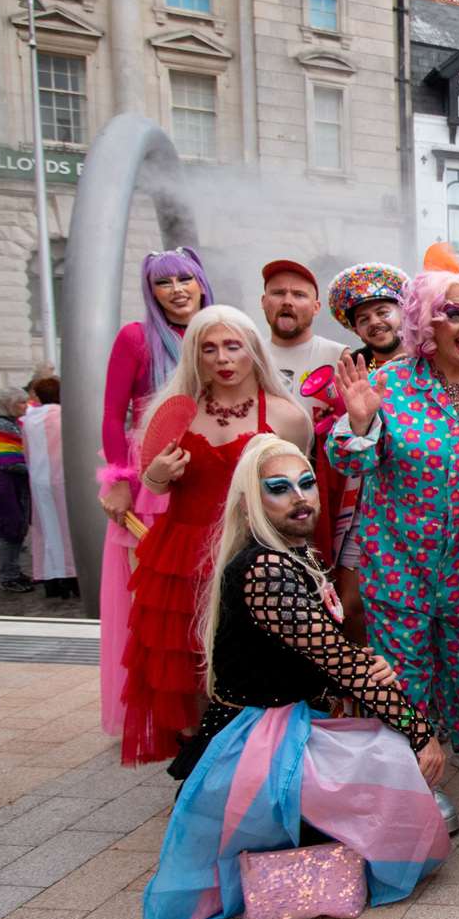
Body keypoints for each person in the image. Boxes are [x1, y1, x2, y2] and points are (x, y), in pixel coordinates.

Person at [139, 435, 447, 919]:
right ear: (252, 502)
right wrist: (420, 732)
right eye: (279, 489)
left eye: (306, 483)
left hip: (284, 722)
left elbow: (323, 655)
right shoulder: (267, 569)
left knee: (382, 749)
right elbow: (338, 663)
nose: (300, 497)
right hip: (256, 743)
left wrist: (361, 665)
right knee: (393, 757)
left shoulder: (291, 554)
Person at [328, 265, 459, 790]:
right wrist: (360, 423)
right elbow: (347, 461)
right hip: (397, 560)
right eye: (452, 314)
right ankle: (413, 763)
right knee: (405, 669)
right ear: (424, 323)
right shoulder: (388, 383)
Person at [121, 306, 311, 766]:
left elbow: (300, 498)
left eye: (233, 345)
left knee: (252, 660)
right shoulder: (173, 416)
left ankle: (251, 761)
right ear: (195, 356)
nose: (223, 358)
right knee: (187, 664)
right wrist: (157, 475)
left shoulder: (287, 417)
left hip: (253, 555)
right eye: (209, 348)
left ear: (253, 350)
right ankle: (202, 766)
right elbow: (152, 486)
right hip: (182, 555)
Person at [97, 248, 214, 733]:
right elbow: (112, 415)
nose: (177, 289)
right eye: (164, 283)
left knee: (207, 597)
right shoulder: (136, 337)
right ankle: (171, 714)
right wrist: (121, 481)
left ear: (202, 282)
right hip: (151, 486)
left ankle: (212, 705)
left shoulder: (218, 335)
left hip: (209, 475)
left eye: (186, 278)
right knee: (159, 604)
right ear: (151, 291)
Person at [315, 262, 412, 645]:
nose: (375, 322)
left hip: (415, 503)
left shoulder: (431, 365)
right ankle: (360, 686)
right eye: (363, 318)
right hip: (360, 501)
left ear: (404, 312)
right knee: (353, 600)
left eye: (383, 311)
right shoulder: (349, 371)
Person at [260, 259, 350, 427]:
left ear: (316, 307)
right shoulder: (250, 357)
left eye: (299, 295)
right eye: (278, 293)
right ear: (263, 302)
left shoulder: (340, 357)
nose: (287, 301)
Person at [22, 377, 75, 598]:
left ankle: (51, 578)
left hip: (39, 478)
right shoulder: (68, 416)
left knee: (46, 528)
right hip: (65, 477)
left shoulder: (26, 420)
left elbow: (26, 453)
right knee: (68, 528)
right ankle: (73, 576)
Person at [0, 387, 33, 593]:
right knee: (9, 530)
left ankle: (14, 571)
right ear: (8, 405)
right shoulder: (1, 425)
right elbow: (8, 461)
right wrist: (36, 468)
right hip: (5, 484)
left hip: (15, 483)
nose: (26, 406)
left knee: (18, 529)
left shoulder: (13, 423)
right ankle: (9, 576)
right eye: (21, 403)